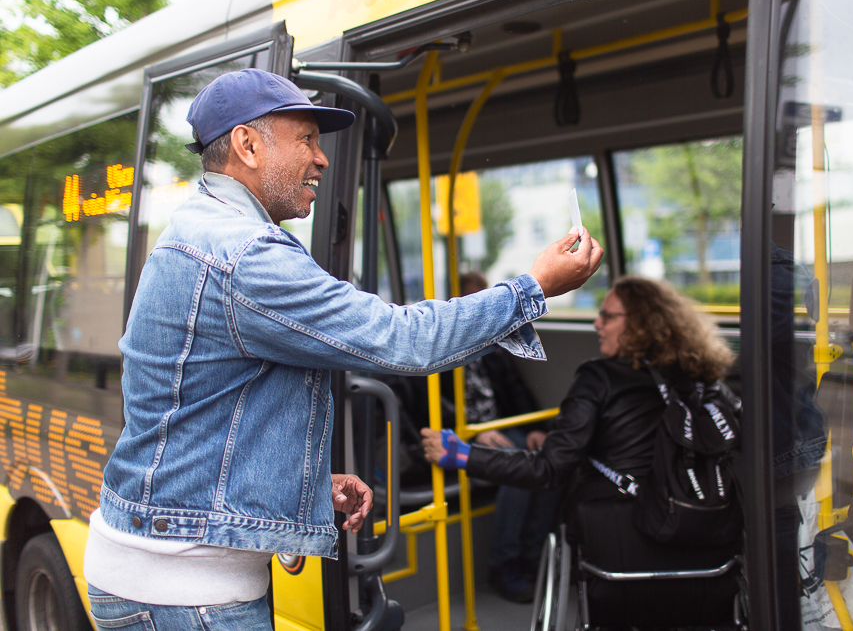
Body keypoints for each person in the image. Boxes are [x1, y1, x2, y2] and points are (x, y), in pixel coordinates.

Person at [82, 68, 603, 630]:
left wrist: (299, 481)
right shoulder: (246, 254)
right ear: (247, 145)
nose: (322, 159)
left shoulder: (202, 231)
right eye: (306, 139)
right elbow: (404, 339)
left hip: (168, 569)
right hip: (186, 592)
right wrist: (532, 288)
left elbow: (205, 411)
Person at [422, 276, 740, 628]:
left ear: (640, 324)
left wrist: (461, 455)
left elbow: (547, 470)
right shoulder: (705, 381)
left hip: (620, 556)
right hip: (712, 554)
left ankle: (516, 564)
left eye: (608, 316)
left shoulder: (598, 378)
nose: (597, 324)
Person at [457, 271, 562, 603]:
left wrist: (536, 429)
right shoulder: (442, 345)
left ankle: (533, 557)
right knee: (517, 465)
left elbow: (516, 390)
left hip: (501, 428)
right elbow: (431, 407)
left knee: (550, 459)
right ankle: (503, 564)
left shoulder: (494, 343)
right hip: (463, 434)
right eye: (472, 299)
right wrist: (476, 432)